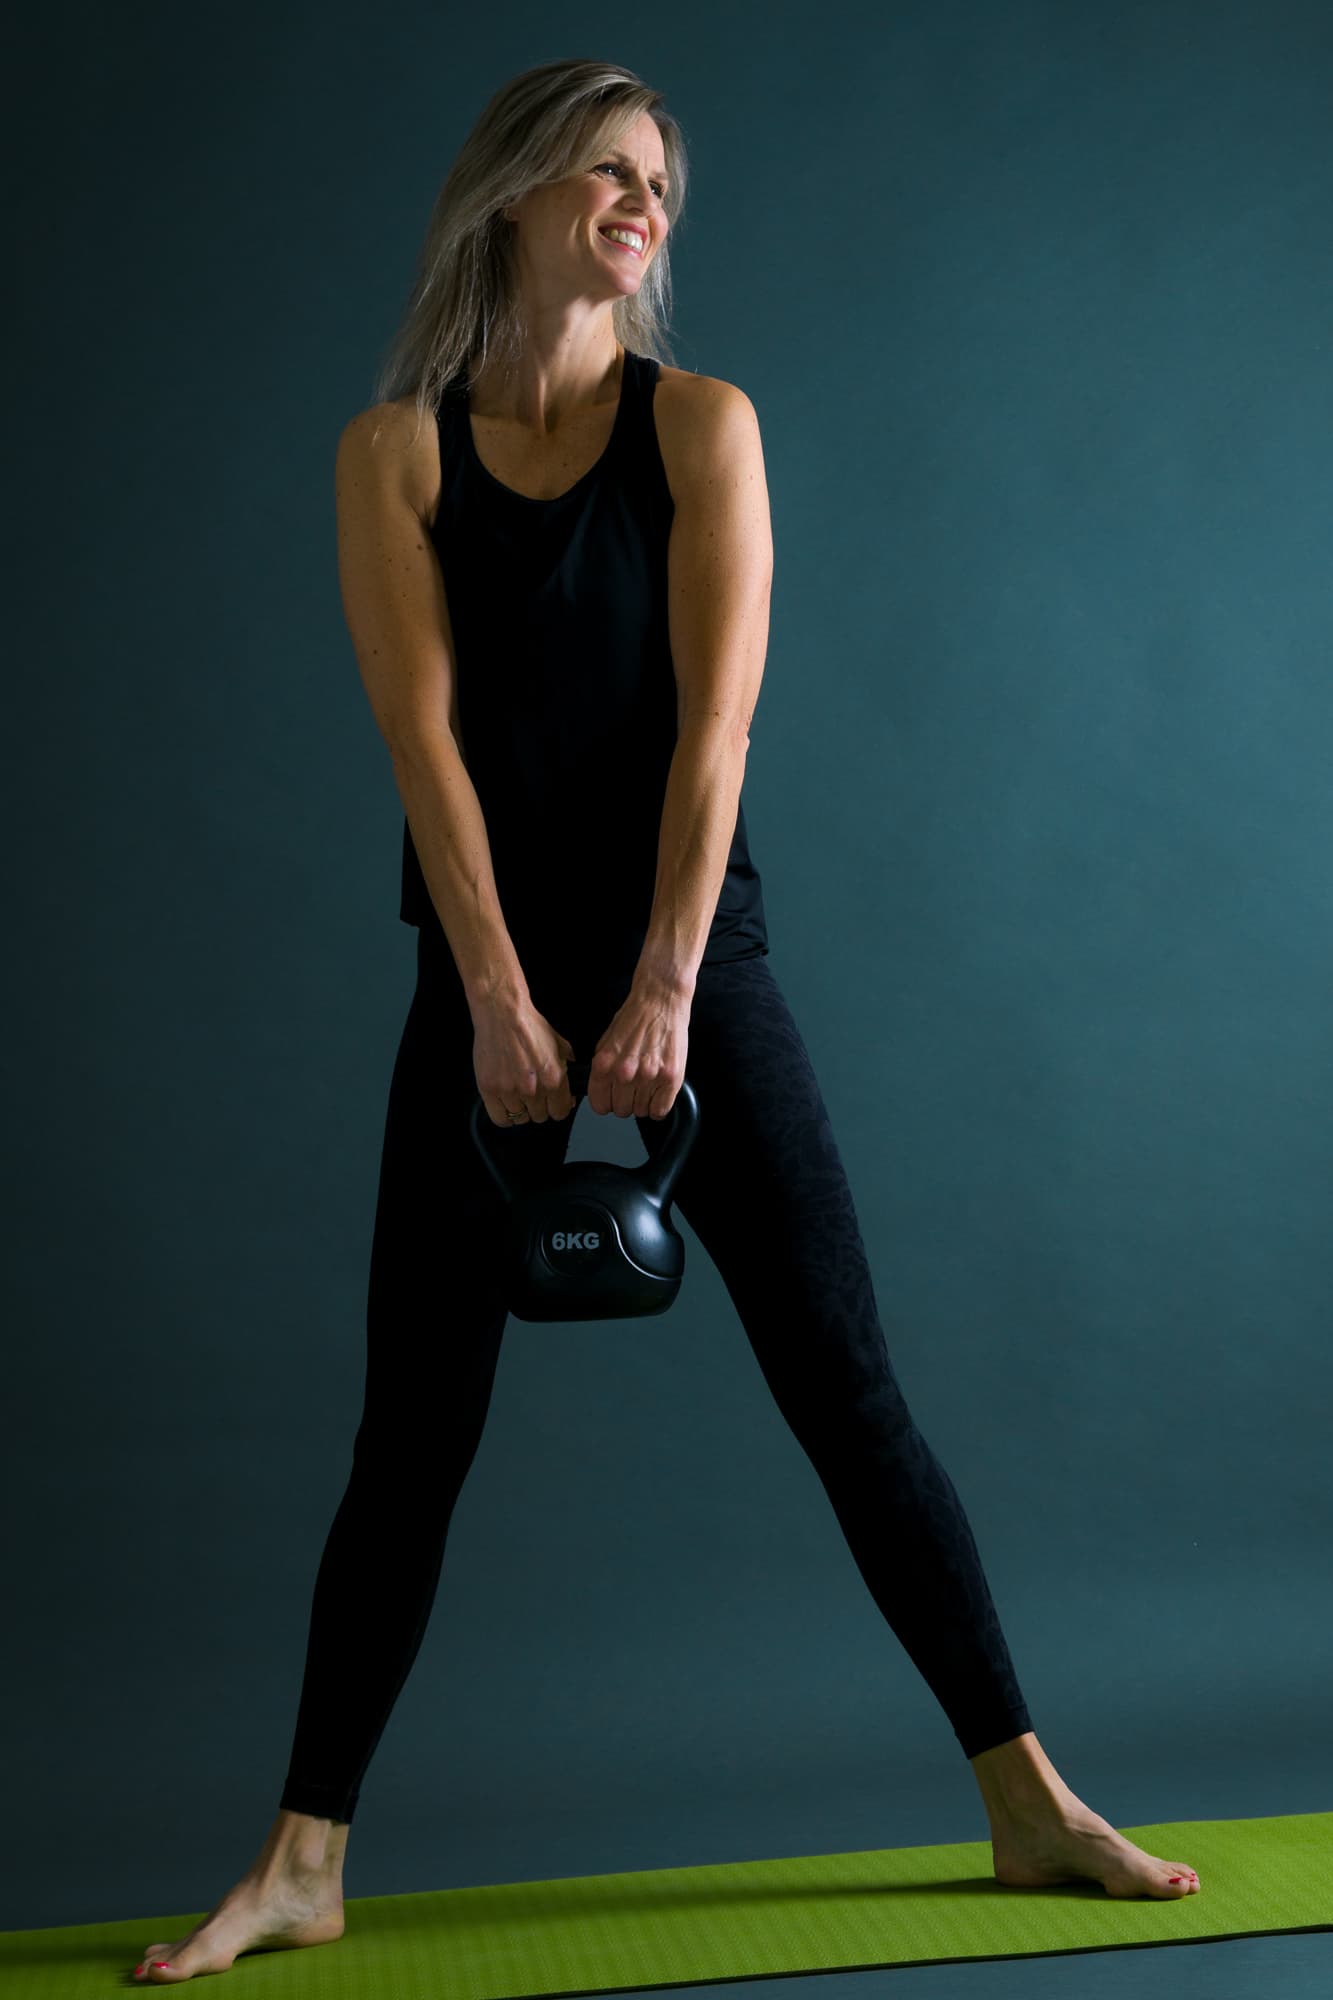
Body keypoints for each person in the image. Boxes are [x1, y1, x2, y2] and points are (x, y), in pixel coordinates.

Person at [132, 57, 1199, 1987]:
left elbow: (717, 733)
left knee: (848, 1394)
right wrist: (492, 995)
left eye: (658, 182)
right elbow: (423, 751)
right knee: (409, 1437)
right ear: (515, 193)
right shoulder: (395, 455)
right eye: (609, 171)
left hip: (695, 968)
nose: (643, 203)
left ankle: (1029, 1798)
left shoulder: (702, 424)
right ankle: (301, 1861)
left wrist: (662, 985)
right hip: (480, 982)